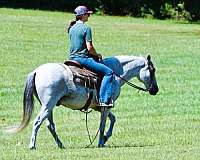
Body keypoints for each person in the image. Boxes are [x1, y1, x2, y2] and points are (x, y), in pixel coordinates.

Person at [67, 6, 114, 107]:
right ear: (83, 15)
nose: (89, 16)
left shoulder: (71, 28)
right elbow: (90, 48)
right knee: (109, 72)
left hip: (72, 59)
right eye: (88, 14)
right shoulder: (86, 28)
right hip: (83, 59)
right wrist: (97, 55)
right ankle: (104, 100)